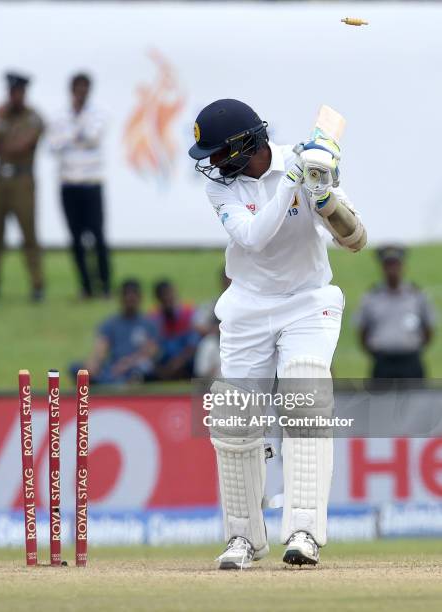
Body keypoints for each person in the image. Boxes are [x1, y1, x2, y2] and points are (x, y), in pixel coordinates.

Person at [188, 99, 367, 569]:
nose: (212, 164)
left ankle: (304, 532)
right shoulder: (227, 190)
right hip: (247, 306)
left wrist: (324, 195)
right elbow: (252, 238)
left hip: (308, 301)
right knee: (233, 419)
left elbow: (355, 238)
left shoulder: (306, 162)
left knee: (305, 394)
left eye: (218, 153)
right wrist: (291, 182)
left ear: (246, 145)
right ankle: (242, 540)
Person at [49, 73, 111, 298]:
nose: (81, 93)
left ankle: (104, 285)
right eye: (78, 88)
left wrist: (71, 135)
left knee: (98, 236)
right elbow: (53, 145)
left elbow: (93, 137)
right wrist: (76, 135)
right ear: (72, 90)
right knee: (75, 238)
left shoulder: (99, 113)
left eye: (85, 88)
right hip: (69, 184)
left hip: (91, 184)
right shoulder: (59, 115)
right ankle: (86, 286)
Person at [0, 72, 45, 301]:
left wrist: (4, 144)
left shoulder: (34, 117)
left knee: (29, 234)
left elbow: (21, 146)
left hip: (22, 181)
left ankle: (37, 284)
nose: (14, 96)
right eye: (11, 92)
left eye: (18, 92)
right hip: (0, 180)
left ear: (24, 93)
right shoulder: (1, 115)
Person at [355, 246, 435, 379]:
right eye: (388, 265)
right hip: (383, 363)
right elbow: (363, 331)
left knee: (416, 399)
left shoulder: (416, 295)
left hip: (411, 361)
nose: (392, 269)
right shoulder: (371, 297)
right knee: (381, 399)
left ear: (403, 266)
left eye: (395, 264)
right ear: (382, 267)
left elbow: (428, 328)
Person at [76, 279, 158, 384]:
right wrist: (93, 364)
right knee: (78, 368)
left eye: (133, 295)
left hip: (136, 364)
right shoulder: (111, 323)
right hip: (115, 365)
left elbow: (151, 351)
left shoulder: (149, 323)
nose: (130, 299)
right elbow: (101, 348)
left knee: (143, 367)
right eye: (126, 295)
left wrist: (128, 363)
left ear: (140, 297)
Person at [150, 280, 199, 380]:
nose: (167, 298)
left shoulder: (188, 312)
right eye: (164, 295)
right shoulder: (154, 318)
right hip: (165, 357)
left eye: (169, 294)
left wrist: (178, 362)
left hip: (186, 357)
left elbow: (193, 343)